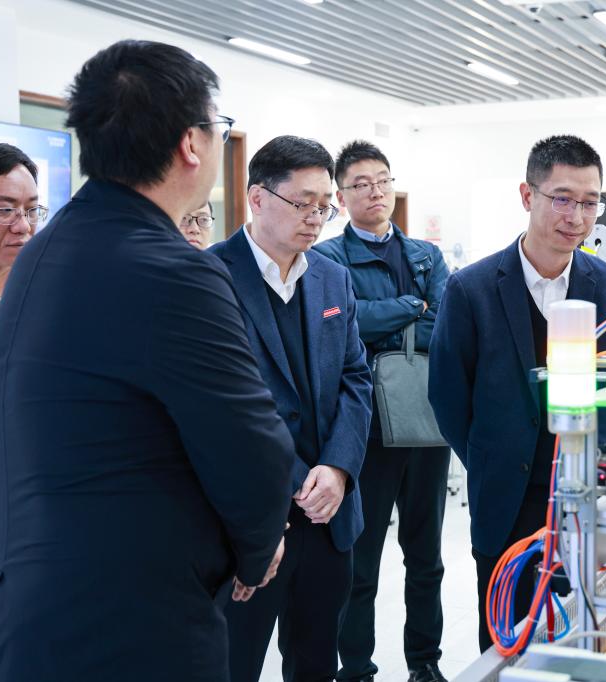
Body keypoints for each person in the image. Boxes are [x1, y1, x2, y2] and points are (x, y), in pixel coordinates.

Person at [0, 40, 295, 681]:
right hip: (129, 627)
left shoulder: (44, 253)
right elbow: (251, 448)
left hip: (24, 619)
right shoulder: (176, 271)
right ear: (190, 144)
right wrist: (258, 551)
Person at [428, 135, 606, 652]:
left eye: (590, 203)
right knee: (504, 642)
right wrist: (491, 459)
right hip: (505, 498)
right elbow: (448, 396)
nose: (576, 217)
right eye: (562, 199)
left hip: (589, 500)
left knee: (584, 637)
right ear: (528, 195)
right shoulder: (471, 289)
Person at [212, 135, 372, 682]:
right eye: (303, 203)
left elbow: (355, 378)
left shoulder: (331, 276)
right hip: (251, 519)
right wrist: (302, 479)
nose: (316, 218)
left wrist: (339, 468)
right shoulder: (209, 279)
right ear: (257, 198)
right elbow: (220, 409)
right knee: (233, 663)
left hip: (329, 516)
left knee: (316, 663)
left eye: (325, 206)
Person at [315, 140, 450, 682]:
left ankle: (425, 663)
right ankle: (356, 668)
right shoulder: (329, 258)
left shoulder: (425, 255)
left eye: (383, 180)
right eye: (361, 184)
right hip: (364, 428)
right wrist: (410, 307)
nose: (375, 192)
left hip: (424, 422)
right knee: (360, 559)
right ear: (342, 196)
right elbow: (346, 322)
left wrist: (386, 319)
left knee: (426, 558)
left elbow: (444, 324)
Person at [0, 142, 41, 603]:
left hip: (33, 545)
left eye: (32, 210)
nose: (23, 226)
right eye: (4, 211)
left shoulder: (48, 302)